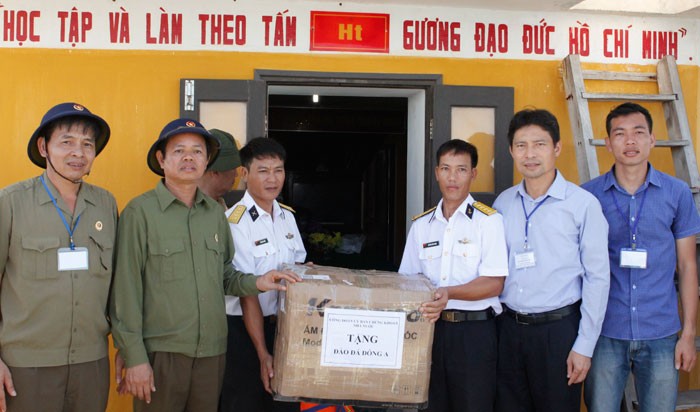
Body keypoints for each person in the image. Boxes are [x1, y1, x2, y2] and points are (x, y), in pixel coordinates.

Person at [110, 118, 300, 412]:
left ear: (207, 160)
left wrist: (258, 282)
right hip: (164, 352)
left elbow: (225, 276)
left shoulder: (214, 214)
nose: (189, 158)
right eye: (179, 151)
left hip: (212, 352)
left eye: (197, 151)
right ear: (161, 159)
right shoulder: (140, 213)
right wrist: (134, 355)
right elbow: (126, 290)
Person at [582, 102, 700, 411]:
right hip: (604, 331)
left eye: (638, 132)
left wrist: (688, 334)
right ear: (608, 143)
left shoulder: (676, 193)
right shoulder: (588, 197)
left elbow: (688, 266)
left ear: (652, 140)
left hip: (661, 331)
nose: (630, 141)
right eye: (620, 134)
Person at [0, 102, 116, 412]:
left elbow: (118, 286)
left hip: (91, 363)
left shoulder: (105, 204)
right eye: (67, 142)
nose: (78, 152)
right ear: (44, 147)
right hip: (27, 366)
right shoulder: (10, 203)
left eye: (87, 144)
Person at [493, 108, 610, 412]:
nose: (530, 154)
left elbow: (598, 278)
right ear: (511, 151)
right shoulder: (503, 203)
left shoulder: (582, 205)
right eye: (521, 145)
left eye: (539, 144)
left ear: (556, 148)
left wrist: (584, 346)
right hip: (509, 330)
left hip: (558, 332)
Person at [399, 139, 508, 412]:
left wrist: (449, 293)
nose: (452, 177)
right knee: (431, 404)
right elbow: (406, 282)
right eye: (446, 168)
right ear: (436, 172)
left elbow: (495, 283)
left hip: (474, 334)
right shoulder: (422, 225)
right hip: (430, 331)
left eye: (461, 169)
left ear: (473, 174)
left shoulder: (489, 221)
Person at [220, 137, 305, 412]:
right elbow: (246, 293)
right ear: (244, 174)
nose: (273, 179)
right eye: (264, 171)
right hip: (244, 334)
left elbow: (298, 268)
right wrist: (262, 353)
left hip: (284, 328)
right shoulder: (235, 222)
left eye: (278, 170)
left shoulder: (287, 217)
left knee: (284, 404)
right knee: (245, 402)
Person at [198, 129, 241, 207]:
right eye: (233, 169)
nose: (236, 174)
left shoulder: (219, 204)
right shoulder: (187, 209)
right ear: (215, 172)